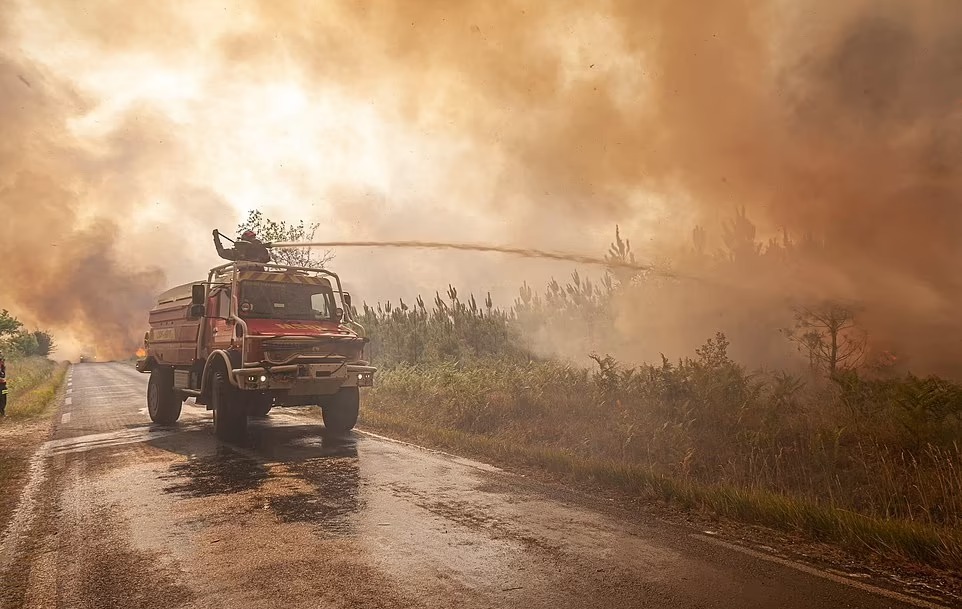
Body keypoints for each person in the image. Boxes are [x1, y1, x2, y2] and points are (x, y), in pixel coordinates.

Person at [0, 352, 7, 417]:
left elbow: (3, 376)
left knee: (4, 398)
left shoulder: (3, 368)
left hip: (3, 385)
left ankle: (2, 411)